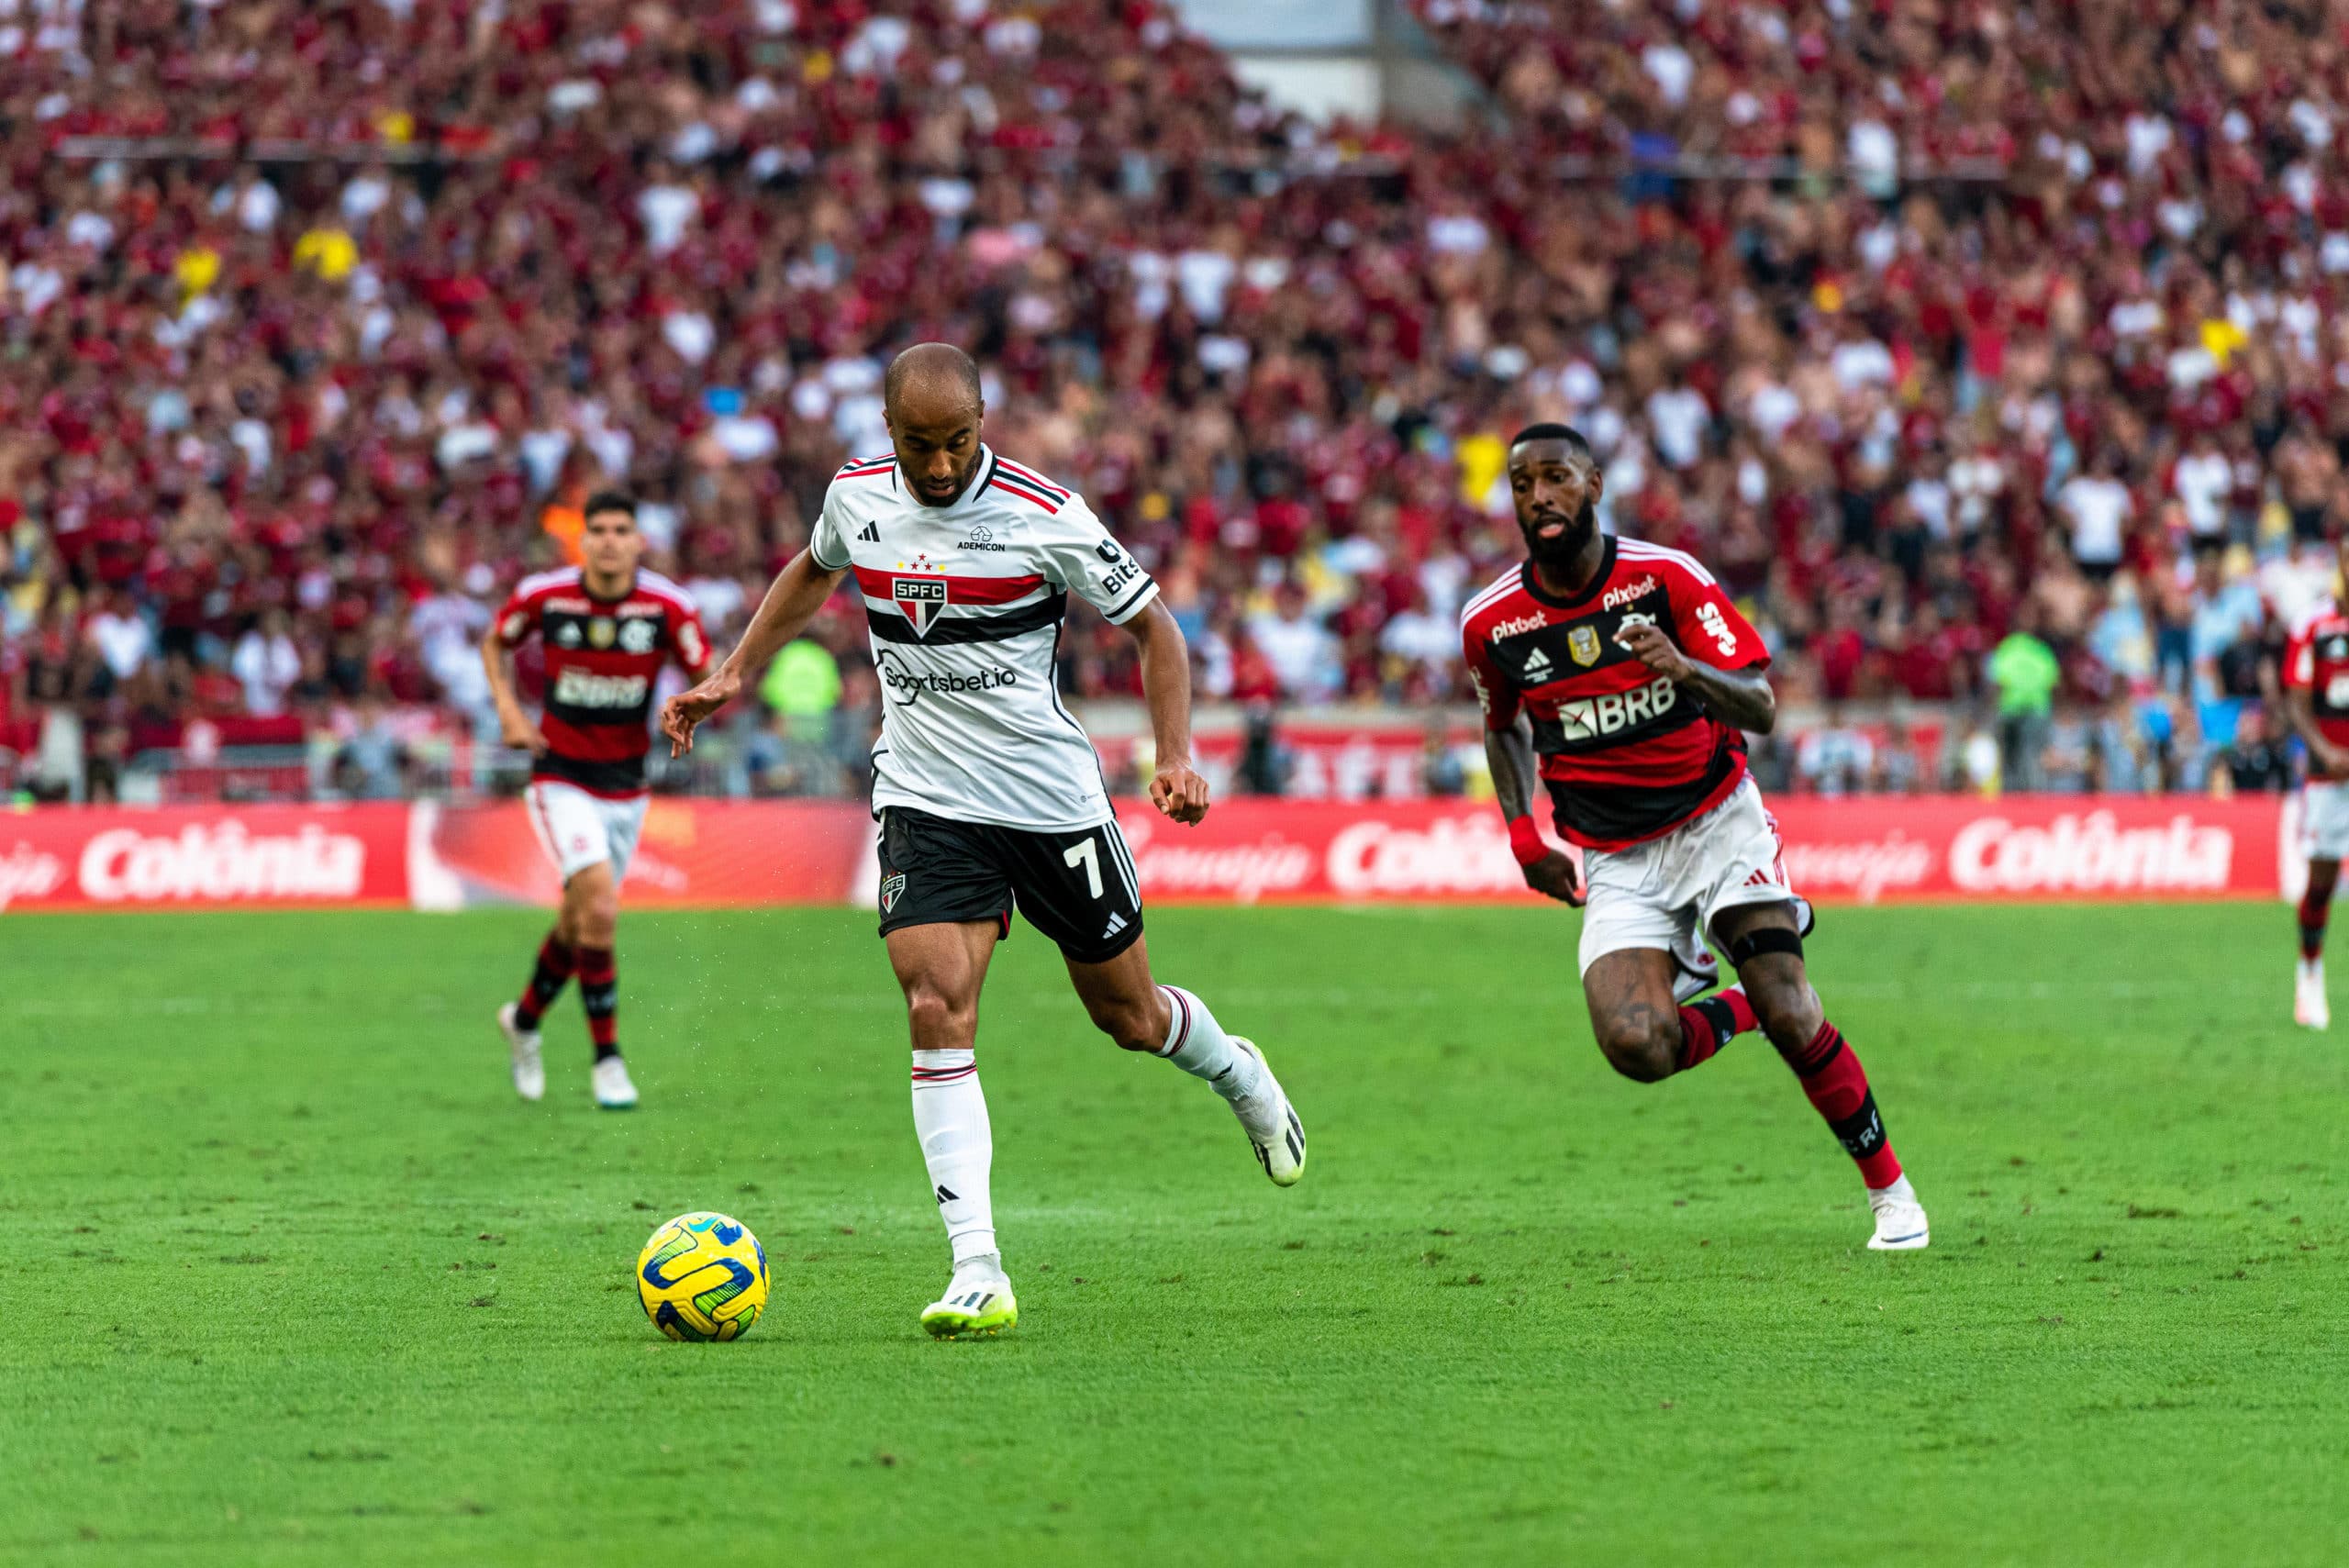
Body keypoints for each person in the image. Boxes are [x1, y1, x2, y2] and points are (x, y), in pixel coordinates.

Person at [661, 344, 1305, 1339]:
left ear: (981, 421)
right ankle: (977, 1267)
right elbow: (812, 569)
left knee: (1129, 1017)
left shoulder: (1045, 514)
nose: (938, 464)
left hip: (1051, 802)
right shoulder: (858, 496)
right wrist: (736, 668)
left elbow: (1156, 630)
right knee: (933, 1003)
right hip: (925, 796)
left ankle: (1235, 1070)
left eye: (956, 440)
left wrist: (1173, 754)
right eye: (918, 444)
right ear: (889, 432)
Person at [1461, 423, 1927, 1251]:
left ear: (1595, 484)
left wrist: (1684, 669)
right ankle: (1737, 1003)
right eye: (1523, 483)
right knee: (1637, 1046)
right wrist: (1521, 832)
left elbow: (1763, 705)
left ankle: (1892, 1195)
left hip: (1718, 821)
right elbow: (1501, 727)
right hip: (1617, 857)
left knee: (1794, 1003)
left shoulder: (1665, 579)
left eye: (1557, 478)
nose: (1540, 497)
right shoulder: (1493, 623)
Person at [481, 493, 714, 1108]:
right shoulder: (546, 596)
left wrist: (690, 705)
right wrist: (508, 710)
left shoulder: (668, 607)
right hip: (559, 774)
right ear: (583, 541)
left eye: (622, 530)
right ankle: (608, 1060)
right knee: (602, 911)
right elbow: (495, 643)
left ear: (640, 541)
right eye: (600, 530)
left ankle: (524, 1021)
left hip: (627, 784)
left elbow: (710, 674)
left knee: (578, 920)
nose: (610, 540)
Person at [2279, 535, 2349, 1029]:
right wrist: (2323, 750)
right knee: (2322, 881)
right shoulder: (2314, 624)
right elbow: (2297, 700)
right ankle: (2309, 972)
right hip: (2331, 773)